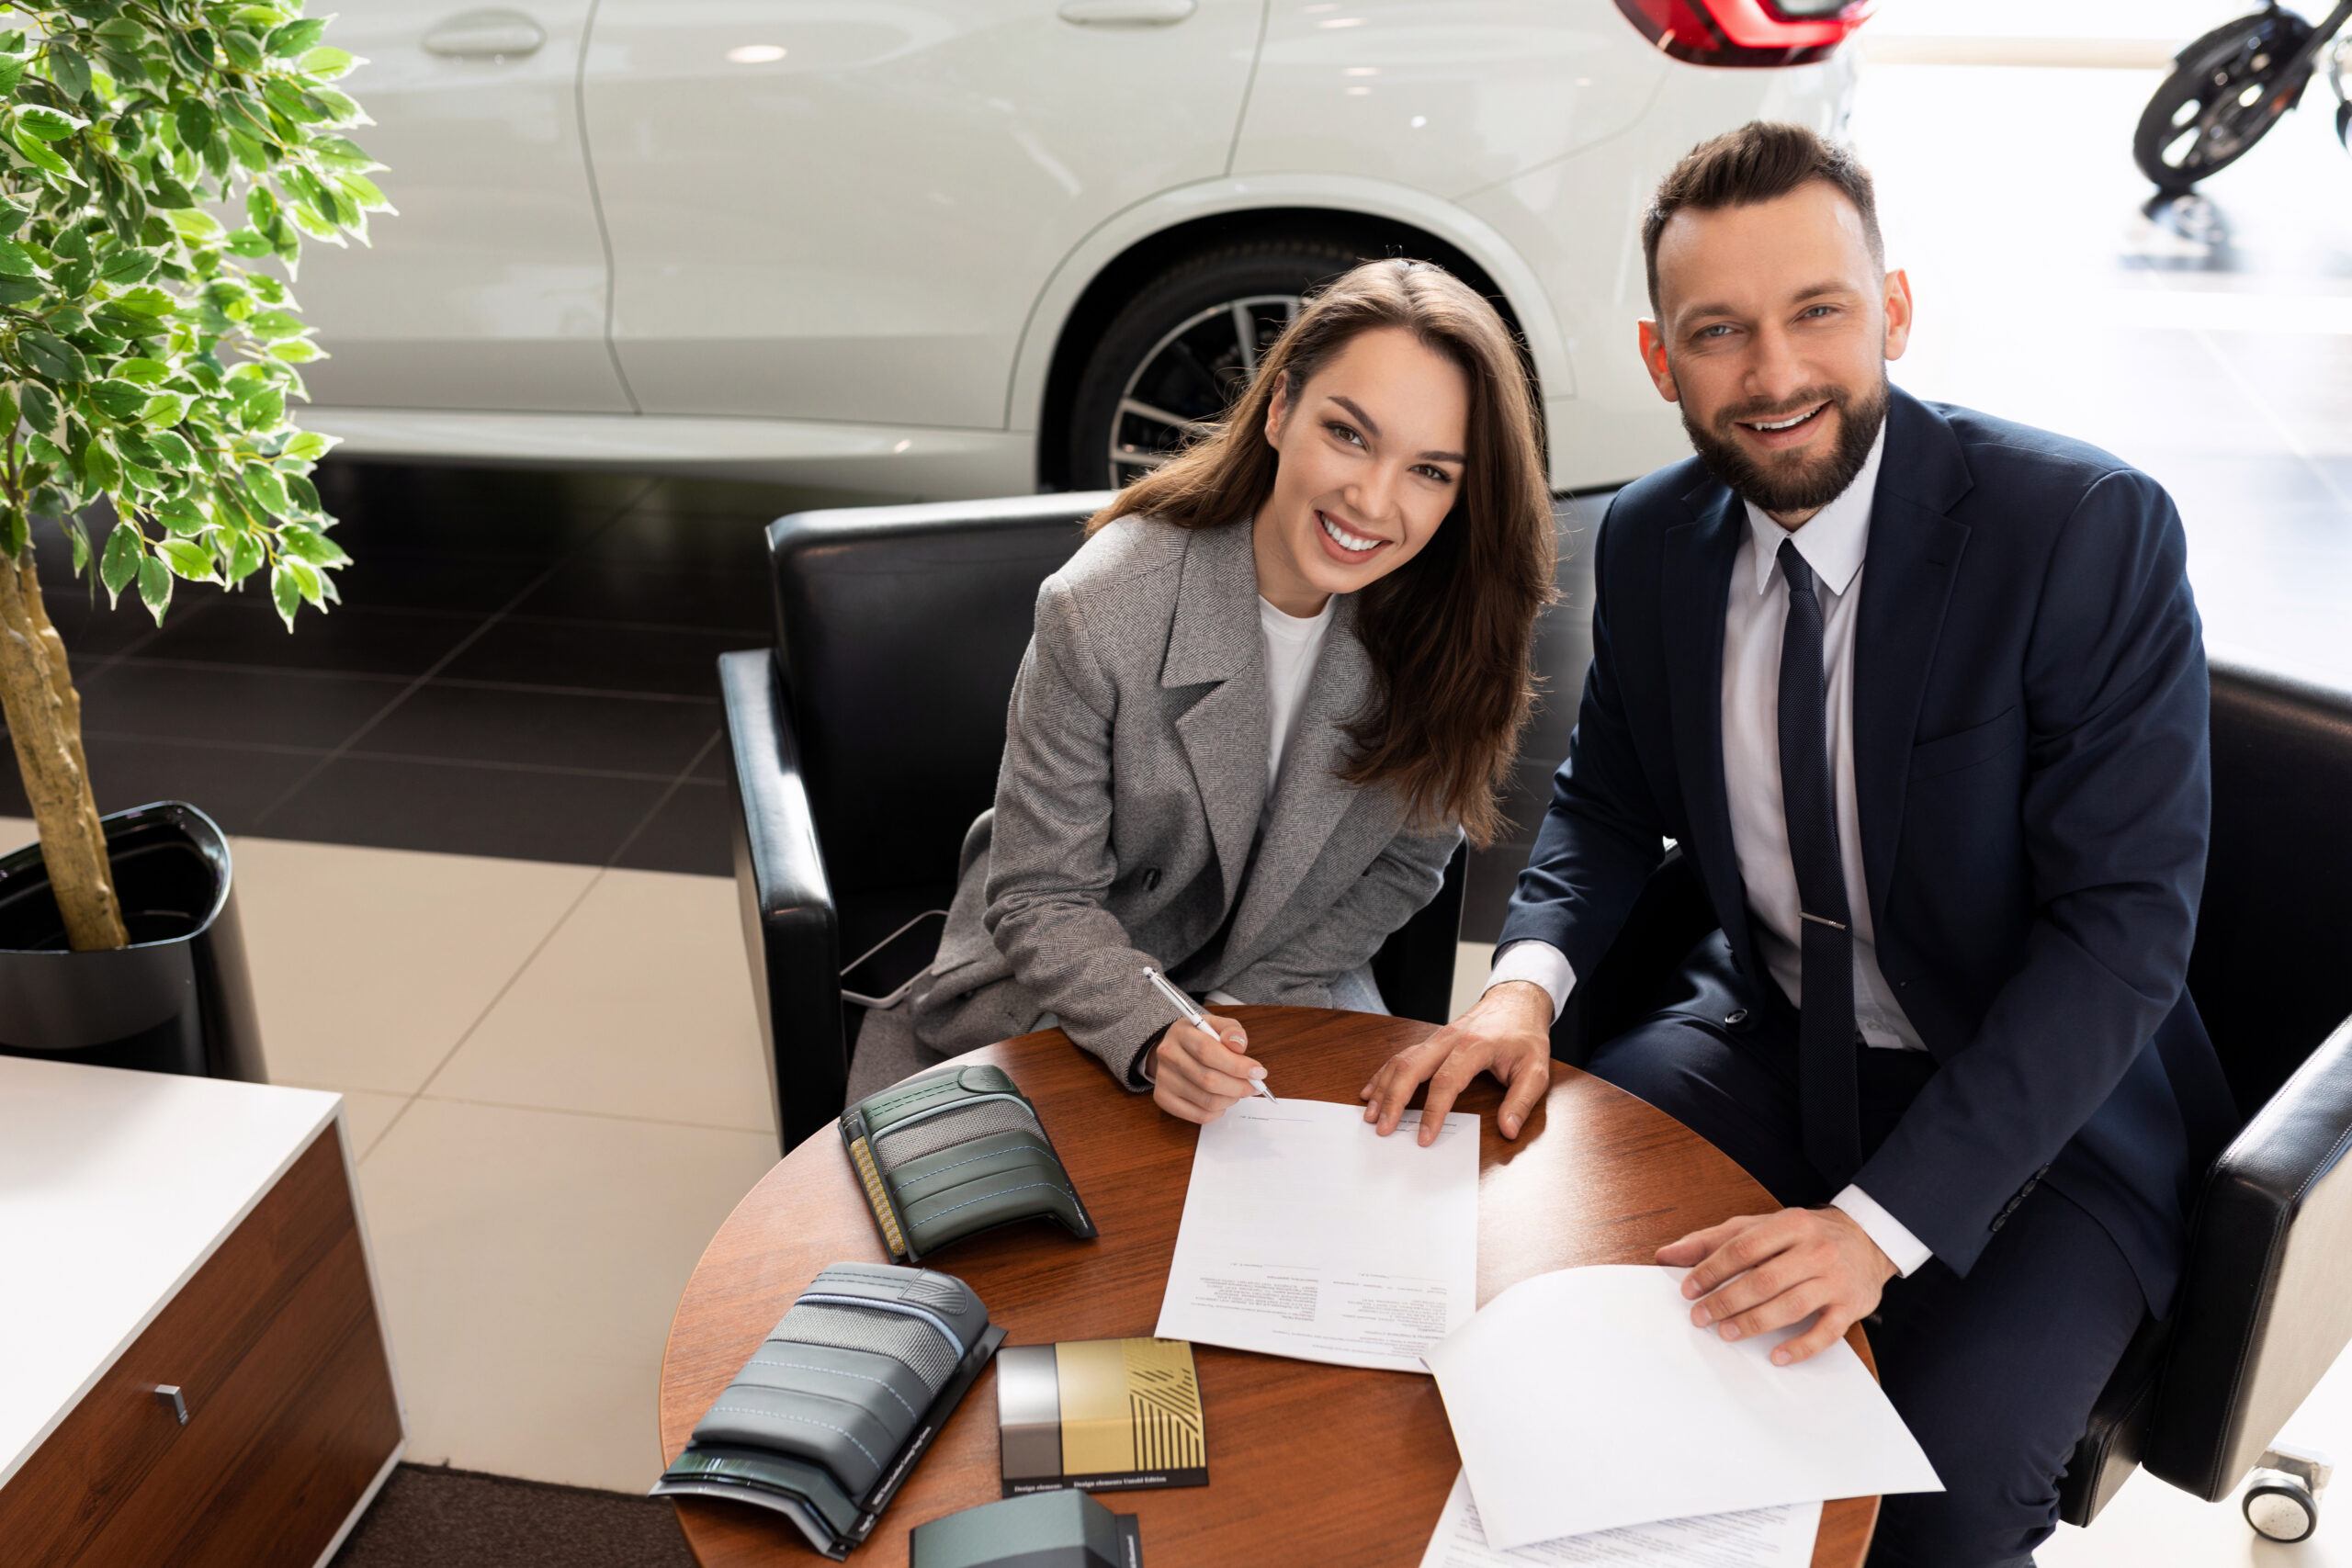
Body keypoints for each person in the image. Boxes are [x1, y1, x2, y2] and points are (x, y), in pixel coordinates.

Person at [1361, 123, 2236, 1565]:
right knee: (1502, 1319)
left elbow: (2122, 930)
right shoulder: (1650, 541)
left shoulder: (2081, 529)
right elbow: (1598, 798)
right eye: (1720, 333)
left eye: (1816, 312)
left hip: (2044, 1105)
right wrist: (1520, 987)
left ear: (1892, 308)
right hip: (1763, 1040)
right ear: (1660, 358)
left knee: (1930, 1506)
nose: (1772, 376)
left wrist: (1875, 1227)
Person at [847, 258, 1556, 1125]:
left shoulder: (1457, 627)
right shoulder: (1101, 605)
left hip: (1288, 976)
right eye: (1349, 434)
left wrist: (1251, 1006)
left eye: (1431, 471)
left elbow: (1406, 862)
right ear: (1281, 406)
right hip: (1077, 981)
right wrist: (1154, 1029)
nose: (1372, 500)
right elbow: (1039, 896)